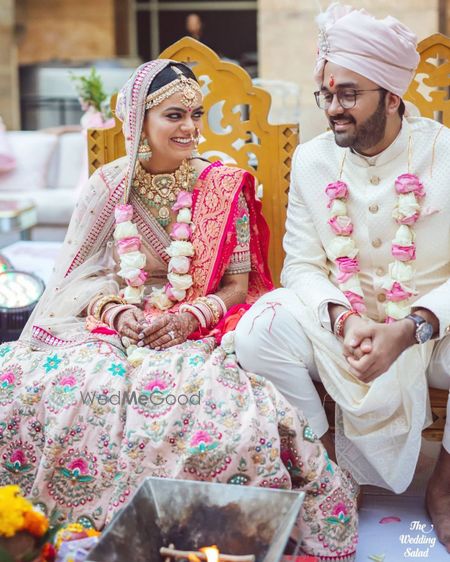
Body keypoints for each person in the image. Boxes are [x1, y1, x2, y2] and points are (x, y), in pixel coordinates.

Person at [0, 59, 357, 560]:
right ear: (139, 122)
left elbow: (240, 283)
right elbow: (75, 276)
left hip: (199, 322)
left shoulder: (222, 185)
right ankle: (54, 524)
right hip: (115, 321)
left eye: (197, 114)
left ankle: (209, 532)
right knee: (30, 384)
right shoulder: (109, 185)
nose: (190, 127)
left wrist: (190, 317)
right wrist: (117, 312)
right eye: (174, 115)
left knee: (216, 410)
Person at [235, 4, 450, 552]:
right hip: (344, 328)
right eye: (327, 95)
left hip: (433, 330)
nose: (334, 108)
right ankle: (328, 467)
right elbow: (302, 266)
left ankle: (445, 484)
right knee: (258, 331)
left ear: (394, 97)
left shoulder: (446, 155)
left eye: (349, 94)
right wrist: (341, 316)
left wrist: (415, 326)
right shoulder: (311, 161)